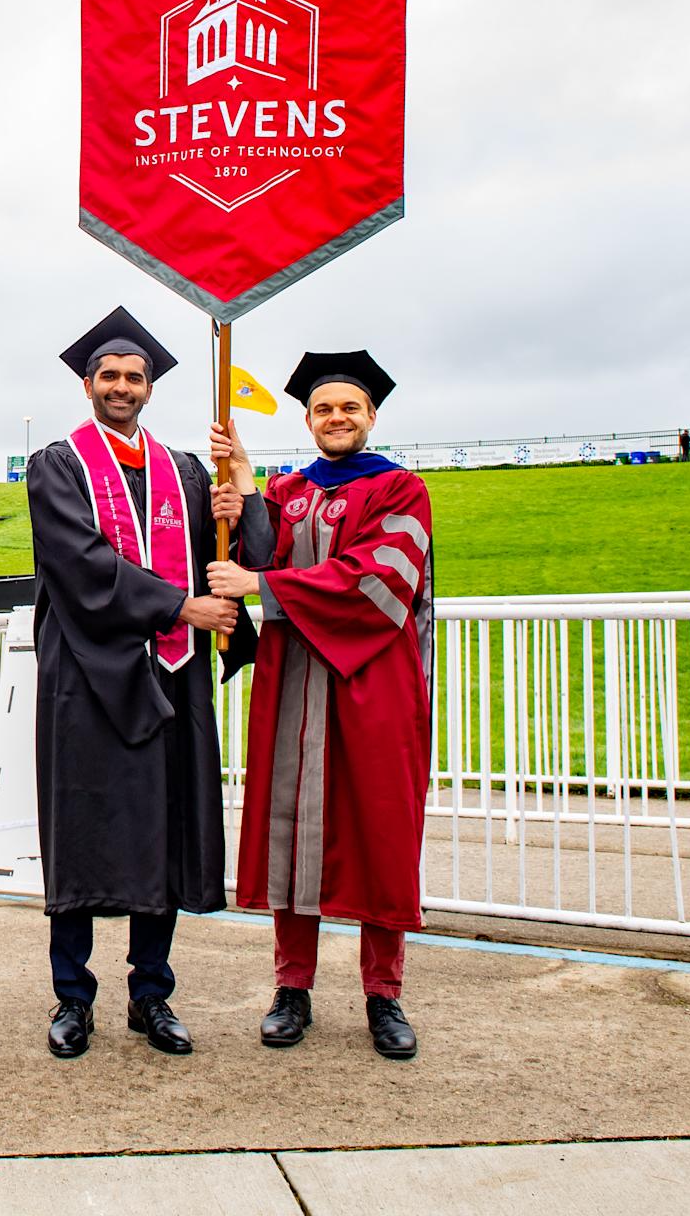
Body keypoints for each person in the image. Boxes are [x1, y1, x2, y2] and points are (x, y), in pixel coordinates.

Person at [28, 308, 253, 1061]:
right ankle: (72, 997)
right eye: (109, 375)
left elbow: (231, 559)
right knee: (81, 829)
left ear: (150, 388)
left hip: (173, 671)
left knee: (165, 830)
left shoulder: (186, 470)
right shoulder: (58, 464)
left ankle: (151, 993)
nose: (121, 386)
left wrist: (239, 493)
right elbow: (78, 562)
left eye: (134, 377)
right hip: (87, 676)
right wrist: (180, 605)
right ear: (88, 384)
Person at [207, 350, 433, 1062]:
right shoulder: (291, 491)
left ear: (372, 417)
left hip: (374, 684)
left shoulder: (401, 490)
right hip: (296, 684)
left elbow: (377, 580)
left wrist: (262, 587)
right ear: (308, 420)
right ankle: (291, 987)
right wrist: (242, 489)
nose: (337, 418)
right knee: (290, 827)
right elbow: (258, 553)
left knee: (380, 829)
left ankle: (384, 993)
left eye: (349, 408)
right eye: (324, 409)